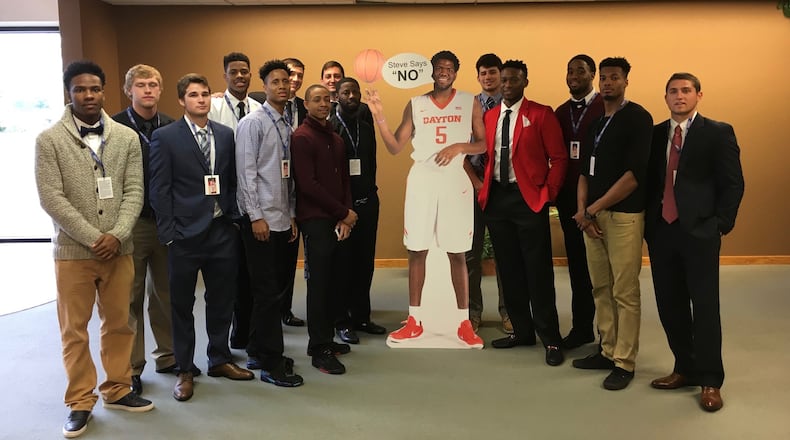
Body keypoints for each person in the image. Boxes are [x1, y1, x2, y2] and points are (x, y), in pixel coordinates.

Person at [35, 60, 152, 438]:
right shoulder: (49, 140)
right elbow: (51, 197)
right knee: (75, 331)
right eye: (80, 89)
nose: (88, 95)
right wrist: (91, 237)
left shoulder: (125, 137)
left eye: (95, 89)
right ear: (69, 93)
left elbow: (136, 190)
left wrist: (117, 234)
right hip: (73, 253)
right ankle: (80, 401)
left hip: (120, 249)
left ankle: (117, 389)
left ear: (104, 91)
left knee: (120, 323)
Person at [366, 50, 486, 348]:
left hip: (454, 182)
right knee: (416, 249)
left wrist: (459, 146)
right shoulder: (416, 104)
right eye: (439, 68)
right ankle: (415, 320)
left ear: (456, 73)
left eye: (449, 68)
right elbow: (395, 146)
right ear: (432, 72)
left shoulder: (469, 101)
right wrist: (379, 115)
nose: (443, 72)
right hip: (422, 181)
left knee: (457, 252)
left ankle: (464, 323)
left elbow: (482, 144)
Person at [150, 73, 254, 403]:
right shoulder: (165, 137)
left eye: (205, 94)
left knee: (222, 299)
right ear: (181, 100)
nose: (201, 99)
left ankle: (219, 358)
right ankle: (184, 369)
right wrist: (169, 233)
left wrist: (235, 218)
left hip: (222, 231)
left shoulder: (225, 135)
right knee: (181, 304)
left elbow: (233, 180)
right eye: (193, 95)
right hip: (183, 236)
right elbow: (159, 189)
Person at [645, 73, 744, 412]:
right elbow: (648, 183)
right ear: (666, 97)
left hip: (700, 232)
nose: (679, 96)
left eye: (686, 90)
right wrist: (648, 226)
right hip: (662, 231)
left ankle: (710, 380)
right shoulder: (656, 134)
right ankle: (684, 368)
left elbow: (733, 183)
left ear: (699, 95)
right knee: (669, 305)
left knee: (704, 307)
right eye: (673, 91)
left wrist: (720, 225)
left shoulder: (717, 132)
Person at [477, 60, 568, 366]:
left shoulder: (541, 114)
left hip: (530, 201)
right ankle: (522, 330)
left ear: (524, 82)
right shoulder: (489, 117)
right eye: (503, 80)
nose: (506, 85)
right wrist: (481, 189)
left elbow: (559, 157)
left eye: (513, 80)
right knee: (509, 269)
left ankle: (551, 338)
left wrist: (549, 196)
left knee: (537, 272)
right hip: (498, 201)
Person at [571, 57, 653, 390]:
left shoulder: (638, 118)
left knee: (625, 291)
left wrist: (594, 209)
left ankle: (625, 361)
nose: (607, 83)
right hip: (592, 216)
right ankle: (607, 350)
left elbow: (633, 177)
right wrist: (583, 211)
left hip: (623, 217)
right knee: (601, 288)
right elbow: (583, 173)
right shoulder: (595, 124)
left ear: (625, 81)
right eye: (603, 78)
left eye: (614, 78)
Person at [235, 60, 304, 387]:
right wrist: (255, 216)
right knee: (265, 294)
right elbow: (246, 174)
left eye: (285, 82)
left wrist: (290, 213)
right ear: (264, 86)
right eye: (275, 81)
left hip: (281, 218)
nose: (281, 86)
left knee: (272, 291)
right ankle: (271, 364)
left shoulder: (287, 123)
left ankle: (258, 349)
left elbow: (286, 175)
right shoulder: (253, 123)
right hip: (260, 221)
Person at [112, 64, 177, 396]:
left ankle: (167, 356)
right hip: (132, 224)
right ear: (129, 90)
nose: (148, 89)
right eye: (141, 84)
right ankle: (133, 368)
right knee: (131, 298)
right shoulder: (115, 127)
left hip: (165, 222)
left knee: (165, 294)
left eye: (153, 84)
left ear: (160, 89)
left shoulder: (170, 125)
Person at [291, 84, 356, 374]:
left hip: (338, 218)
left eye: (326, 99)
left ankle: (326, 337)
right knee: (318, 284)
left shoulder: (335, 138)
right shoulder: (301, 138)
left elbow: (344, 181)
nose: (322, 104)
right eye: (316, 100)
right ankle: (319, 348)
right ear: (306, 104)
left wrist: (346, 216)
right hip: (316, 219)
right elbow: (308, 185)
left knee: (335, 281)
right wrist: (342, 212)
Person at [208, 52, 261, 351]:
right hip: (225, 201)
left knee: (250, 274)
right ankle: (224, 338)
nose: (240, 76)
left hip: (252, 199)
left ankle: (244, 334)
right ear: (225, 75)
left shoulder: (258, 108)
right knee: (227, 275)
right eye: (234, 72)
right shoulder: (214, 106)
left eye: (245, 71)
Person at [330, 77, 387, 344]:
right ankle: (341, 321)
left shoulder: (365, 127)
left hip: (368, 203)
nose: (351, 96)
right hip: (343, 210)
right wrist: (342, 210)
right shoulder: (330, 129)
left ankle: (362, 316)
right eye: (345, 92)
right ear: (337, 96)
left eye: (354, 91)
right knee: (343, 266)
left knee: (365, 263)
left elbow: (371, 163)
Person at [553, 54, 605, 349]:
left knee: (601, 269)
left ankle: (607, 335)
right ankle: (581, 327)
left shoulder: (605, 108)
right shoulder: (561, 112)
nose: (574, 75)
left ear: (592, 74)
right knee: (577, 267)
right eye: (570, 70)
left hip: (600, 202)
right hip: (569, 202)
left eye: (580, 71)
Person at [463, 53, 510, 333]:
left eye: (493, 72)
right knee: (471, 254)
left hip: (503, 187)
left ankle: (509, 311)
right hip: (473, 186)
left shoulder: (510, 106)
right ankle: (473, 312)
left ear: (500, 74)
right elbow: (460, 150)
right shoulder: (468, 108)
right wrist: (477, 183)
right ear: (478, 77)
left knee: (506, 254)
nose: (488, 77)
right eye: (483, 73)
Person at [321, 60, 374, 126]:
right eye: (328, 77)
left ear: (343, 79)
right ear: (322, 81)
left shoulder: (362, 109)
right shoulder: (316, 108)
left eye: (337, 76)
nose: (332, 80)